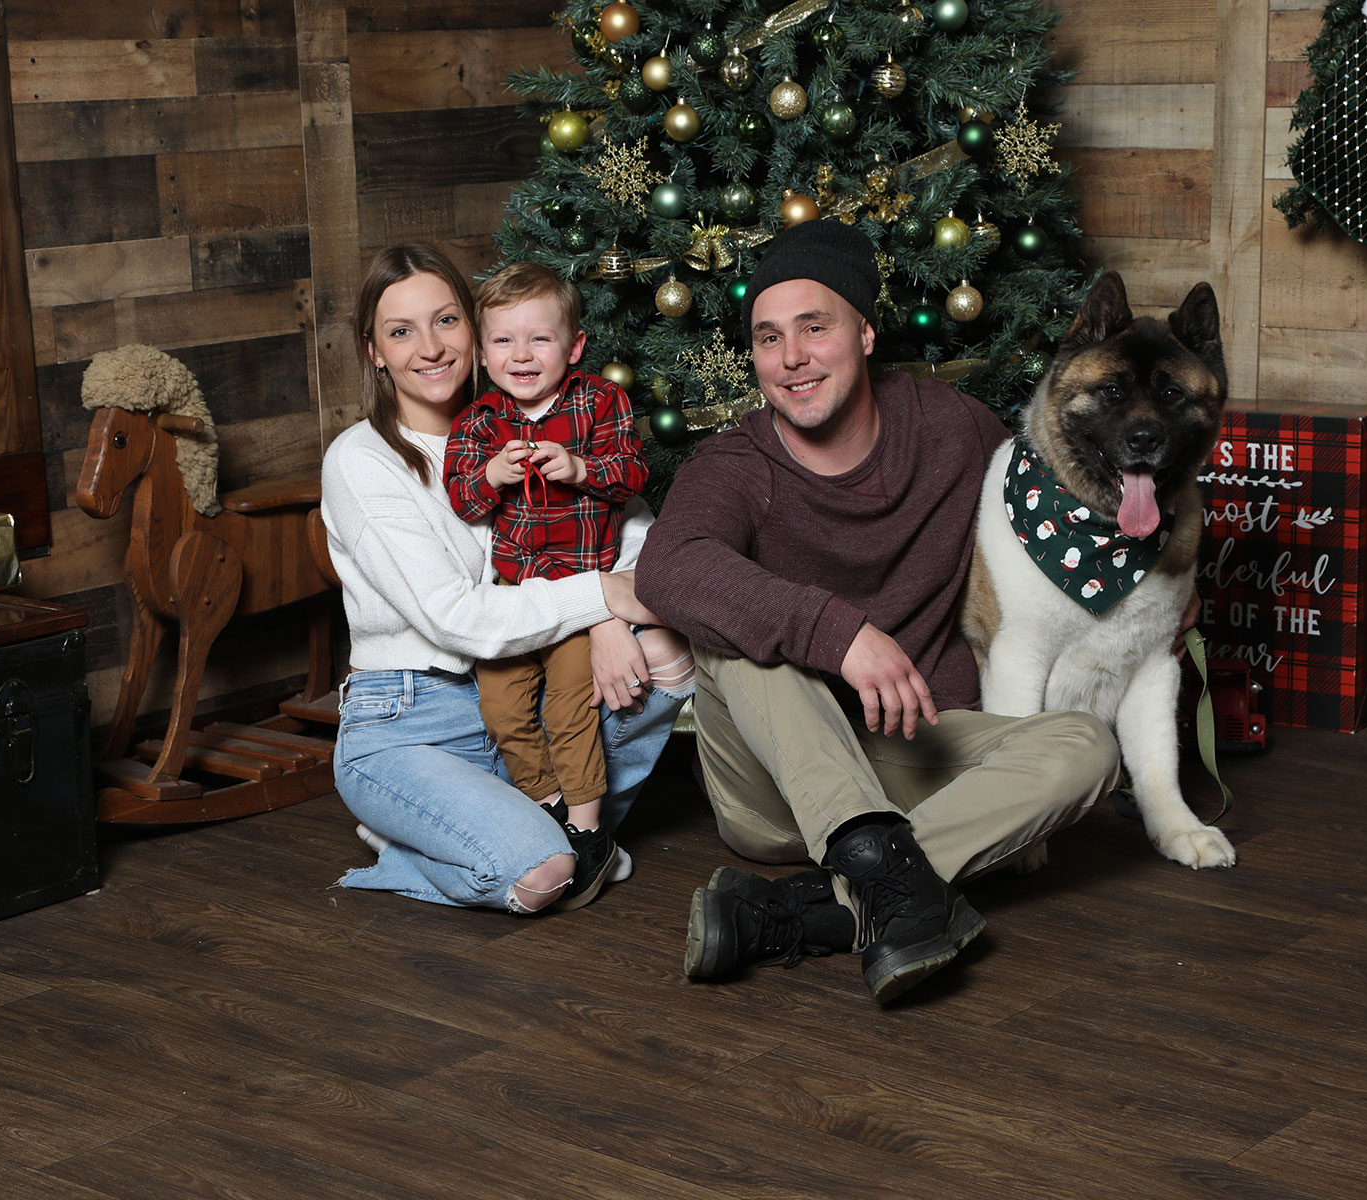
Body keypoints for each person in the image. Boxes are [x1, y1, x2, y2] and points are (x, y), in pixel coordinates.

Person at [634, 219, 1122, 1004]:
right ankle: (871, 869)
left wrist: (1161, 571)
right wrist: (842, 633)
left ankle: (813, 908)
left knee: (1086, 746)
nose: (790, 357)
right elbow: (671, 565)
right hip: (776, 789)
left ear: (864, 333)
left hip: (907, 761)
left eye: (813, 328)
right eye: (767, 338)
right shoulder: (734, 466)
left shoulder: (951, 428)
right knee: (739, 628)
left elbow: (1052, 520)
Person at [321, 242, 691, 914]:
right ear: (373, 351)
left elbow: (635, 526)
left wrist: (609, 617)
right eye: (400, 332)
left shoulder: (514, 420)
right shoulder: (363, 462)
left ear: (477, 331)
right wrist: (600, 597)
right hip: (409, 716)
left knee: (666, 648)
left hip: (519, 686)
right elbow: (455, 617)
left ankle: (561, 831)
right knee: (543, 876)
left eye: (445, 321)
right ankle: (421, 843)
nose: (430, 348)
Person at [441, 262, 648, 898]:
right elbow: (463, 500)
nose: (521, 355)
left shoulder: (599, 401)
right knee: (501, 708)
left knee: (568, 707)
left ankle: (588, 829)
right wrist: (494, 478)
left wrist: (581, 467)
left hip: (581, 597)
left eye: (540, 339)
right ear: (482, 352)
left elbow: (634, 478)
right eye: (503, 341)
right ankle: (551, 803)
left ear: (574, 346)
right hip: (515, 600)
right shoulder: (479, 422)